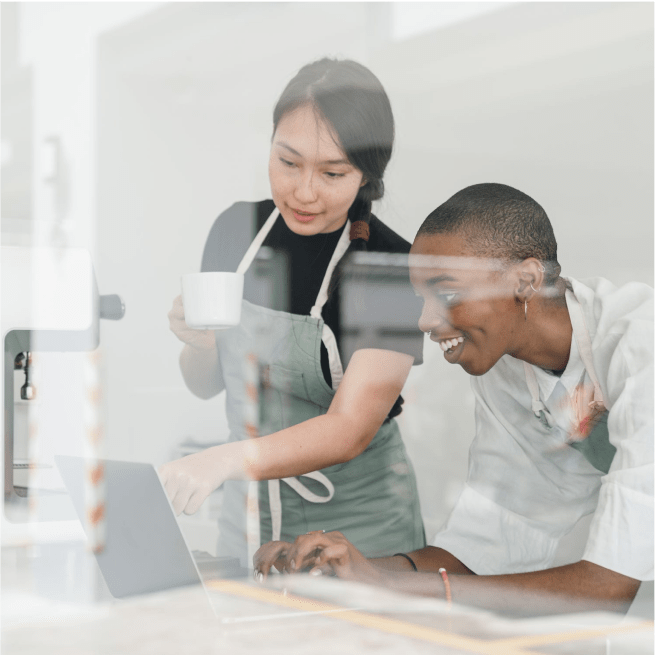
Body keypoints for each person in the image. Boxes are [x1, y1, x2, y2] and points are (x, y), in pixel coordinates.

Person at [253, 183, 654, 616]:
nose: (425, 320)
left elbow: (608, 588)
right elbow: (482, 551)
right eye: (420, 299)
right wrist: (340, 571)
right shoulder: (506, 369)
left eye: (445, 293)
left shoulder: (641, 348)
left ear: (526, 280)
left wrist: (383, 586)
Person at [162, 58, 426, 566]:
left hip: (361, 525)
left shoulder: (390, 266)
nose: (304, 192)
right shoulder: (235, 231)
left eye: (332, 173)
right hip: (250, 516)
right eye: (288, 162)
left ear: (367, 178)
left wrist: (224, 460)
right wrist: (200, 344)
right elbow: (204, 382)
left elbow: (351, 428)